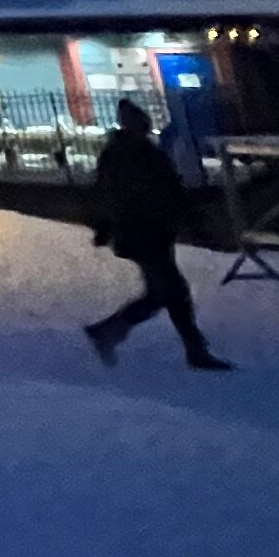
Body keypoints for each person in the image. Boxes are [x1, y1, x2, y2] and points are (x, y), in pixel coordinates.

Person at [85, 100, 231, 371]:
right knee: (171, 290)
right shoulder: (129, 156)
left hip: (153, 232)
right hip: (142, 233)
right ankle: (191, 351)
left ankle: (110, 332)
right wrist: (109, 225)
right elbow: (121, 195)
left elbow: (167, 191)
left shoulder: (138, 155)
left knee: (165, 292)